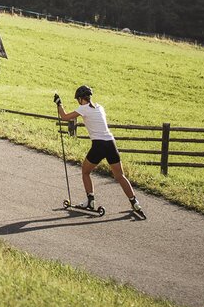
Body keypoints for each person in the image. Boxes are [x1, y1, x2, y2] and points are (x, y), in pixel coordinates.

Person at [54, 85, 145, 215]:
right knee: (120, 176)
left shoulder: (83, 108)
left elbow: (64, 117)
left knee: (85, 171)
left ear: (80, 99)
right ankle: (135, 203)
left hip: (99, 145)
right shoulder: (99, 107)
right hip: (111, 143)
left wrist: (59, 103)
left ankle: (90, 201)